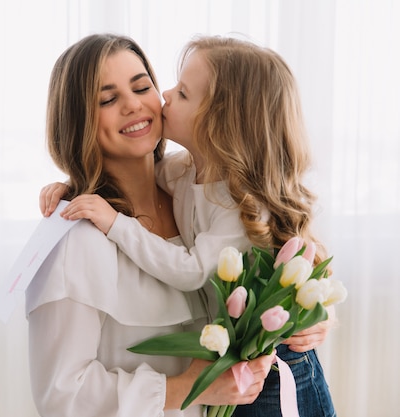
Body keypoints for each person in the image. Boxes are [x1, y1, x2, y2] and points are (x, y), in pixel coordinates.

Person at [40, 35, 337, 417]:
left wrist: (309, 318)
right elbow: (61, 394)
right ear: (77, 120)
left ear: (218, 121)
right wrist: (75, 186)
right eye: (107, 99)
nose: (141, 102)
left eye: (143, 86)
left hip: (272, 381)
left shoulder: (211, 191)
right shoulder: (84, 235)